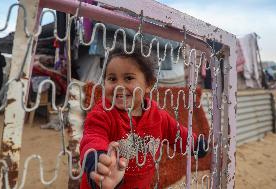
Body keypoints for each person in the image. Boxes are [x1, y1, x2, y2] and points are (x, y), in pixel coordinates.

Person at [80, 44, 207, 189]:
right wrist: (96, 160)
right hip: (103, 182)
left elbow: (177, 133)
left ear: (149, 84)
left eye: (128, 78)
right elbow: (92, 136)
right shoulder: (102, 113)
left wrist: (196, 144)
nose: (119, 86)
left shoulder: (158, 115)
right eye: (112, 79)